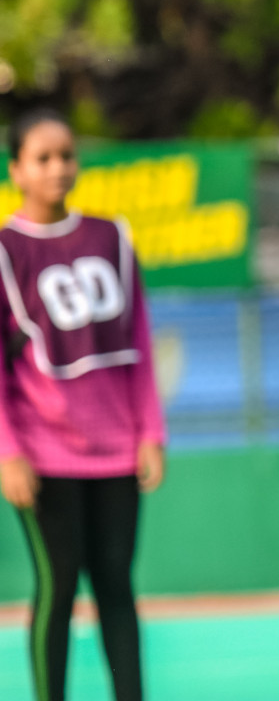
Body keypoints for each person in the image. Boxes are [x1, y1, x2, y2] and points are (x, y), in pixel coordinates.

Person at [0, 109, 166, 701]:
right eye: (42, 158)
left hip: (116, 449)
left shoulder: (110, 237)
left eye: (66, 155)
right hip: (43, 454)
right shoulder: (6, 251)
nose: (58, 168)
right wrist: (8, 452)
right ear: (17, 169)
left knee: (117, 587)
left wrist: (150, 432)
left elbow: (140, 341)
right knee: (58, 586)